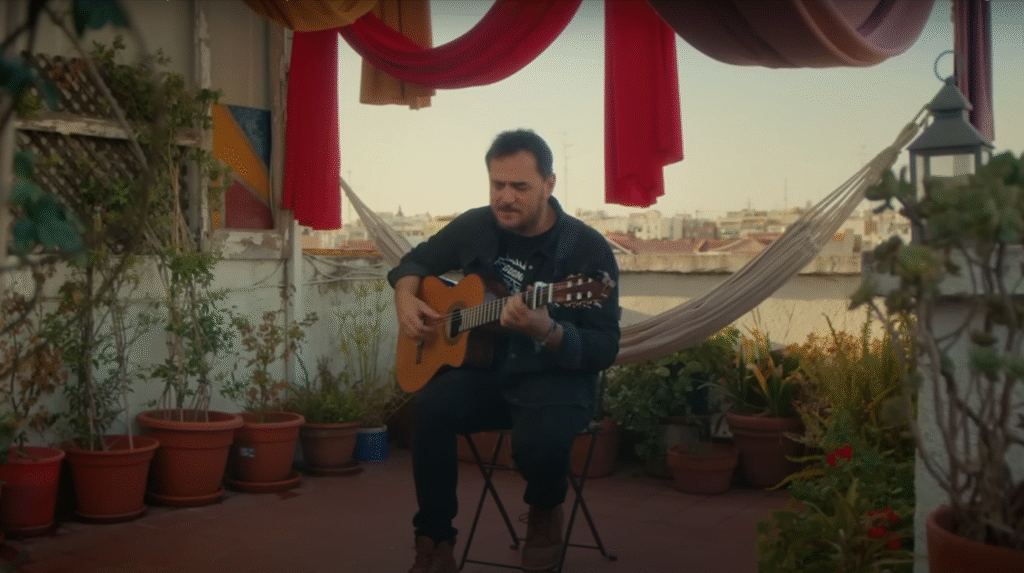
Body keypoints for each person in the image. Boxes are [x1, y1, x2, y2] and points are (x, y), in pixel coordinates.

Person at [388, 129, 620, 573]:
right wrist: (405, 297)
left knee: (541, 442)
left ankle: (544, 514)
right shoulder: (475, 226)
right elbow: (414, 262)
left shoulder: (584, 250)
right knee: (430, 410)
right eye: (497, 184)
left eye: (519, 186)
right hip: (488, 372)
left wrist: (548, 331)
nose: (505, 197)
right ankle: (435, 542)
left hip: (554, 378)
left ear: (549, 185)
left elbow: (604, 346)